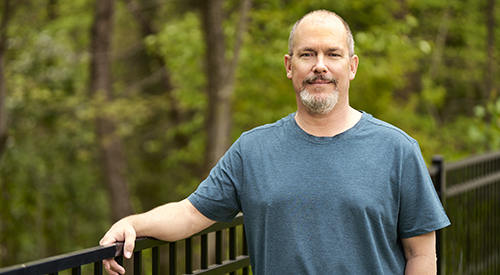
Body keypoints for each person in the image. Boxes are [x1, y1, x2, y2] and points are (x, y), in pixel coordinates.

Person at [100, 10, 450, 275]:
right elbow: (190, 213)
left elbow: (421, 254)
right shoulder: (253, 150)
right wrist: (132, 223)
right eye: (307, 54)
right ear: (289, 65)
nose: (320, 67)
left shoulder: (397, 150)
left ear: (352, 66)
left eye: (333, 54)